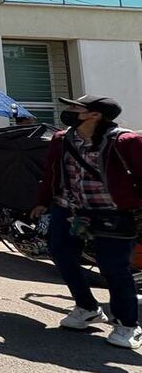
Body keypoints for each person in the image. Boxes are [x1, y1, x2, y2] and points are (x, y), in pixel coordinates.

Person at [31, 95, 142, 350]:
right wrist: (43, 201)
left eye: (75, 108)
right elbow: (51, 171)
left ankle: (128, 324)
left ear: (95, 115)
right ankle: (86, 307)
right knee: (61, 255)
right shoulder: (62, 138)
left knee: (113, 267)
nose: (69, 111)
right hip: (69, 209)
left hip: (112, 213)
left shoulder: (125, 141)